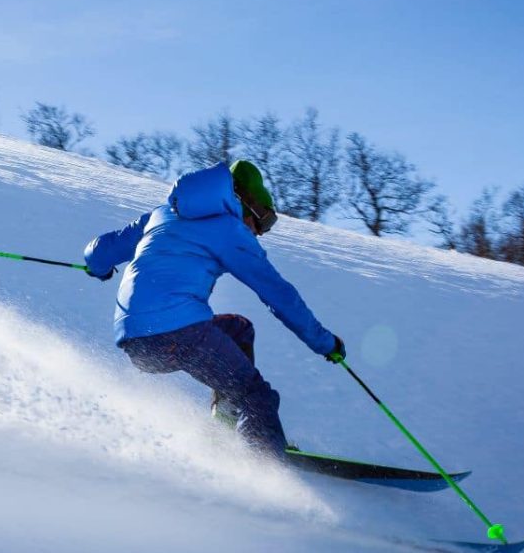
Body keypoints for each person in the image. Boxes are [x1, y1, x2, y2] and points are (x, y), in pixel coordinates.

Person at [83, 160, 345, 459]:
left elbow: (100, 251)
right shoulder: (229, 230)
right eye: (264, 220)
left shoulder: (162, 214)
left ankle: (223, 431)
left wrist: (99, 269)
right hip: (180, 332)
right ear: (245, 203)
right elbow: (279, 294)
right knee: (255, 395)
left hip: (136, 342)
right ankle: (265, 463)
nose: (260, 232)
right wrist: (325, 342)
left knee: (239, 329)